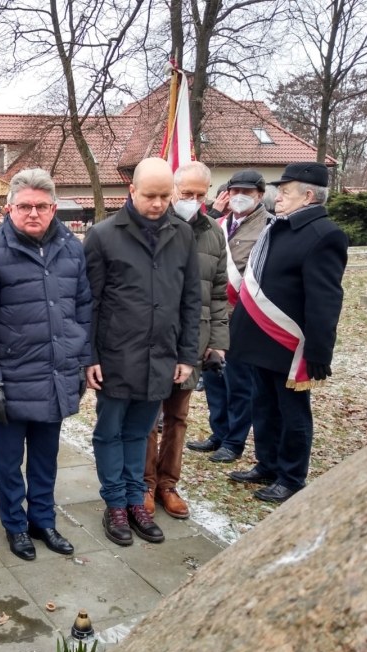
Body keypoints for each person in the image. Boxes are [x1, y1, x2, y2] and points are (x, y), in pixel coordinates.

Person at [0, 171, 91, 559]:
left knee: (45, 458)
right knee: (7, 462)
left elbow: (82, 309)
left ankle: (43, 520)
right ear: (9, 209)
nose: (33, 213)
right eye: (24, 206)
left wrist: (80, 359)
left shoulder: (71, 249)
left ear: (54, 208)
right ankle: (15, 525)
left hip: (55, 372)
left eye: (41, 206)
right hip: (11, 376)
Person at [84, 157, 200, 547]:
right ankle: (115, 503)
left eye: (165, 196)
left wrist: (186, 355)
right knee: (110, 432)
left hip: (161, 355)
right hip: (115, 356)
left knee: (139, 433)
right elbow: (90, 302)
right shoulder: (103, 235)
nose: (157, 204)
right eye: (150, 195)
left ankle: (136, 501)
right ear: (131, 191)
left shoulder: (183, 234)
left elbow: (191, 299)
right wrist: (89, 356)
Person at [227, 162, 347, 503]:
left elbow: (325, 299)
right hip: (261, 338)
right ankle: (267, 464)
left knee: (292, 413)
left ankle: (292, 477)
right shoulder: (278, 228)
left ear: (308, 196)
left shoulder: (324, 234)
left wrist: (319, 351)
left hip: (290, 343)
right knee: (263, 405)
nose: (278, 197)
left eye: (285, 191)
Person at [144, 162, 228, 519]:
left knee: (177, 416)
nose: (192, 200)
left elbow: (220, 293)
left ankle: (168, 483)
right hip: (155, 336)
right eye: (186, 193)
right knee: (148, 417)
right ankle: (145, 483)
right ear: (174, 190)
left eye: (199, 194)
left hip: (194, 339)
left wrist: (218, 342)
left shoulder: (214, 233)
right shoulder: (153, 225)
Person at [188, 169, 268, 463]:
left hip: (244, 317)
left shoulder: (268, 227)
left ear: (260, 195)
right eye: (235, 191)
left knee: (238, 383)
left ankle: (234, 441)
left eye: (247, 192)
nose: (240, 197)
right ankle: (218, 433)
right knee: (213, 379)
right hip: (214, 314)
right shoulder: (218, 224)